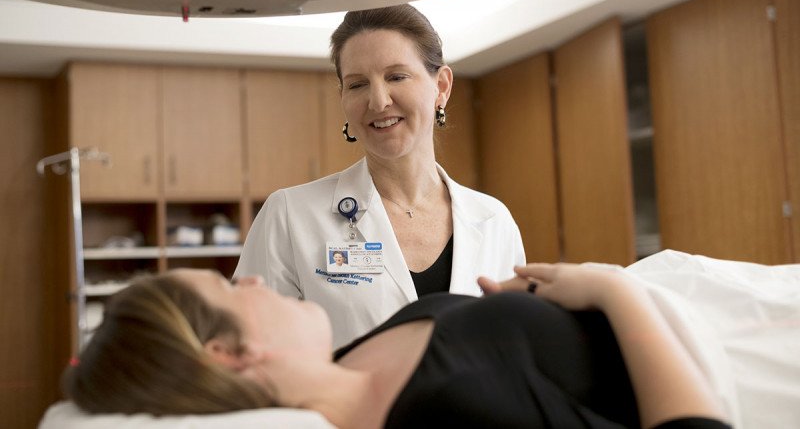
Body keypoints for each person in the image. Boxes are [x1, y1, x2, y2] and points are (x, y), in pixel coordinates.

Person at [64, 264, 730, 429]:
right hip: (729, 339)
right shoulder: (450, 410)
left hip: (690, 292)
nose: (255, 277)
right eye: (227, 285)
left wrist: (522, 301)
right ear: (229, 353)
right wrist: (617, 291)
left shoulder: (349, 363)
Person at [235, 4, 525, 348]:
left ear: (441, 86)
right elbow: (250, 350)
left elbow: (514, 348)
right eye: (357, 84)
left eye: (396, 76)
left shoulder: (493, 221)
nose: (378, 100)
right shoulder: (289, 215)